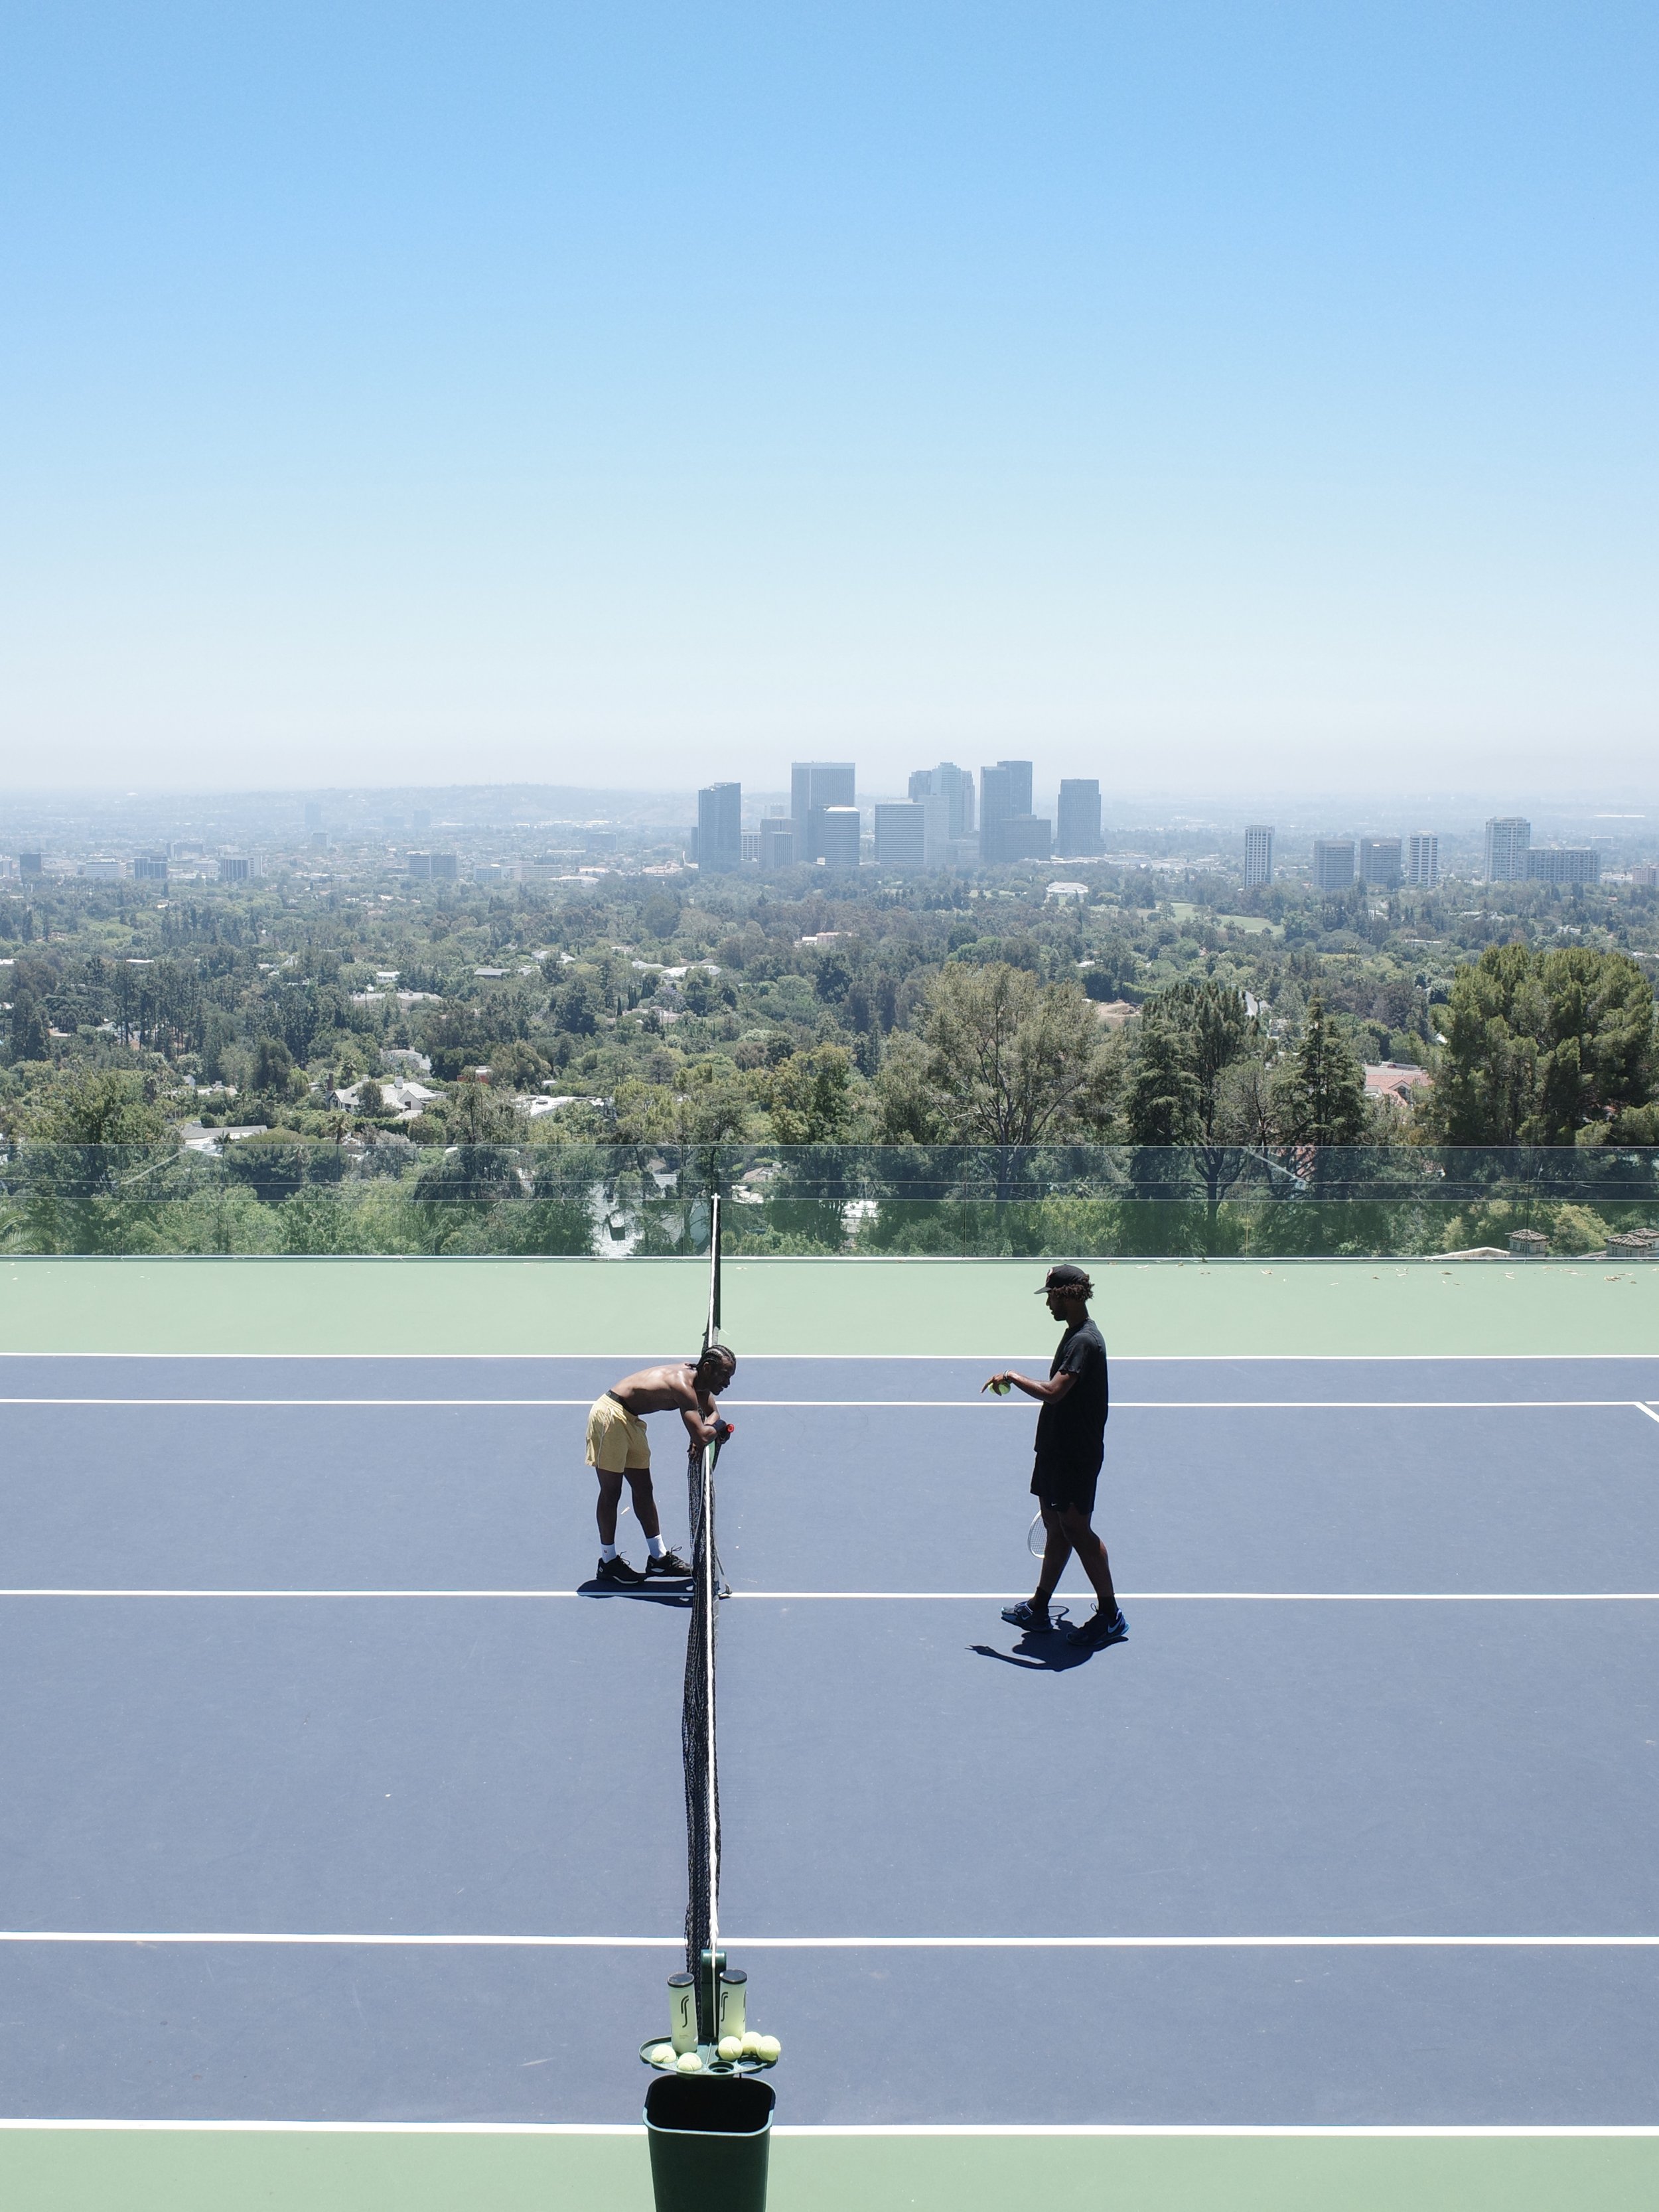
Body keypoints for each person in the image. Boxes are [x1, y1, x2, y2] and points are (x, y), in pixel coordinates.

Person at [985, 1264, 1126, 1649]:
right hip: (1054, 1450)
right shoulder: (1072, 1335)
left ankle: (1111, 1616)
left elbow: (1053, 1392)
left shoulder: (1085, 1341)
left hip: (1076, 1455)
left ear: (1067, 1295)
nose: (1047, 1303)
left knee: (1077, 1529)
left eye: (1050, 1295)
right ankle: (1039, 1606)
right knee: (1055, 1526)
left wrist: (1012, 1376)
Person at [583, 1346, 737, 1587]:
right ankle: (608, 1562)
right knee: (612, 1492)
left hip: (632, 1421)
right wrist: (715, 1430)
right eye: (725, 1376)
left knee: (644, 1490)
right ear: (707, 1368)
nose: (727, 1383)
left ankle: (658, 1558)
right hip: (609, 1417)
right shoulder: (683, 1386)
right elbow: (703, 1434)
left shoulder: (699, 1380)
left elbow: (712, 1413)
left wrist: (708, 1429)